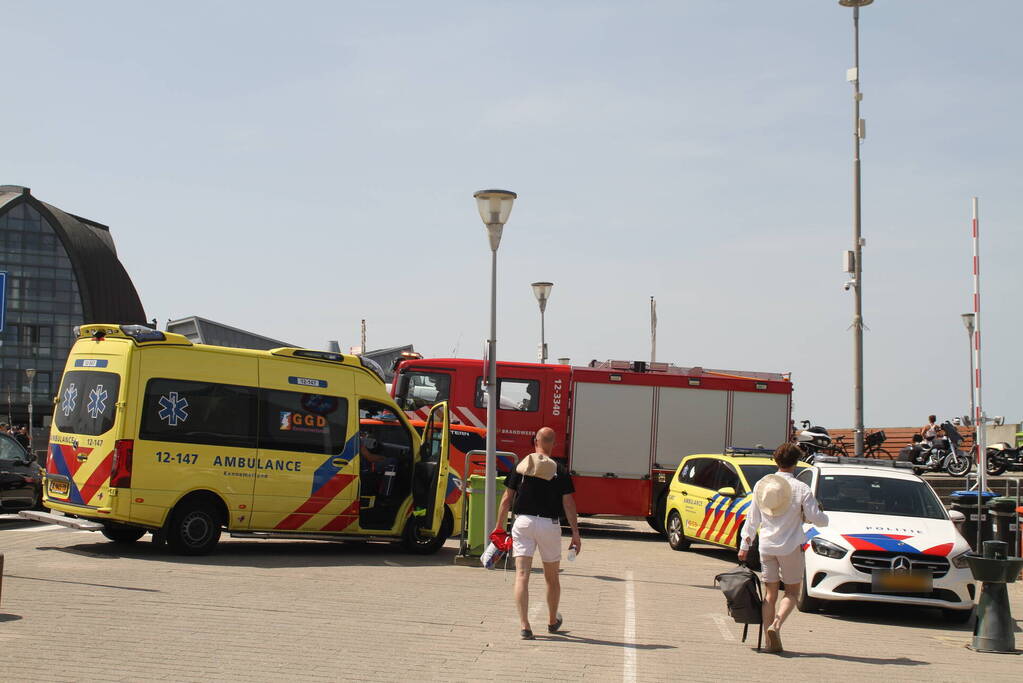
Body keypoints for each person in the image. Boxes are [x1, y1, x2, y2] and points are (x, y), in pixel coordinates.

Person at [739, 442, 828, 653]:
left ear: (776, 461)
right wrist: (825, 519)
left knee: (770, 595)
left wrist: (745, 544)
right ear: (796, 463)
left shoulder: (762, 484)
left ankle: (769, 644)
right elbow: (817, 518)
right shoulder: (801, 488)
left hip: (766, 546)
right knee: (791, 592)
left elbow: (752, 519)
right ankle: (776, 625)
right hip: (790, 547)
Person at [494, 427, 581, 640]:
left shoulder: (520, 466)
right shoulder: (559, 470)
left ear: (535, 441)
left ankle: (525, 626)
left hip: (522, 523)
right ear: (553, 444)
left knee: (522, 575)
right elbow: (568, 504)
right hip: (548, 525)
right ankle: (552, 621)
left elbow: (506, 499)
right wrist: (576, 534)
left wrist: (498, 527)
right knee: (551, 578)